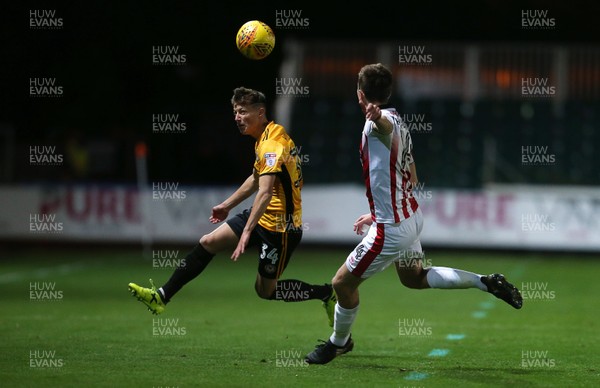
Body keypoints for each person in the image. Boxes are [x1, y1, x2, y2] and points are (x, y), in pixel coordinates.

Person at [304, 63, 523, 365]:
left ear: (360, 95)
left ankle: (339, 342)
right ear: (389, 92)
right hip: (409, 217)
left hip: (391, 229)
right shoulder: (400, 121)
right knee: (414, 278)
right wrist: (377, 211)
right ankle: (483, 281)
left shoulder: (380, 122)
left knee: (341, 284)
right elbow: (411, 175)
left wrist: (375, 115)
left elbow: (383, 128)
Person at [128, 87, 337, 327]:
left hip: (281, 230)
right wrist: (227, 205)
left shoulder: (271, 145)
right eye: (235, 112)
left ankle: (325, 293)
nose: (237, 117)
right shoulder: (267, 136)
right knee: (208, 242)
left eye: (243, 112)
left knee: (265, 291)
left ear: (260, 113)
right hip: (262, 217)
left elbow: (266, 192)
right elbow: (256, 178)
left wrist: (247, 232)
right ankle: (162, 296)